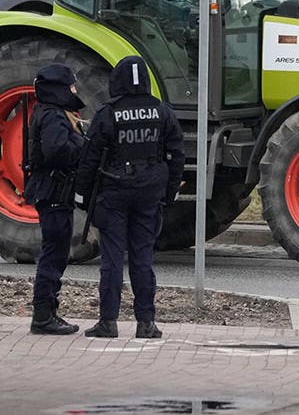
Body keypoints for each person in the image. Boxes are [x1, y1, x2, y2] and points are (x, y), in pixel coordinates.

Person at [73, 55, 184, 339]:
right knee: (142, 259)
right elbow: (176, 158)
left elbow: (89, 160)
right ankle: (146, 323)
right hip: (150, 195)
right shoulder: (163, 112)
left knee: (111, 260)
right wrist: (168, 194)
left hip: (113, 194)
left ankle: (108, 322)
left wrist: (82, 198)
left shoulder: (107, 114)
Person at [25, 64, 87, 335]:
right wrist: (84, 144)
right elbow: (57, 150)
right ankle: (42, 315)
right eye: (71, 87)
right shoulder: (52, 116)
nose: (74, 91)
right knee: (54, 253)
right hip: (53, 191)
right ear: (59, 89)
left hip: (53, 191)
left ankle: (48, 311)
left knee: (57, 252)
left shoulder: (51, 112)